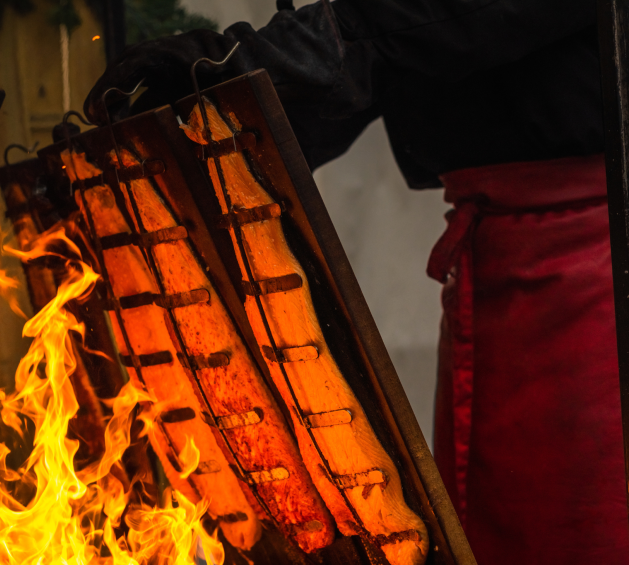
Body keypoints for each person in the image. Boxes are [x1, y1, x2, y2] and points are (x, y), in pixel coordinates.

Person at [83, 1, 629, 563]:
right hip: (502, 256)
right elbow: (394, 58)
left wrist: (308, 48)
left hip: (595, 261)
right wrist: (236, 106)